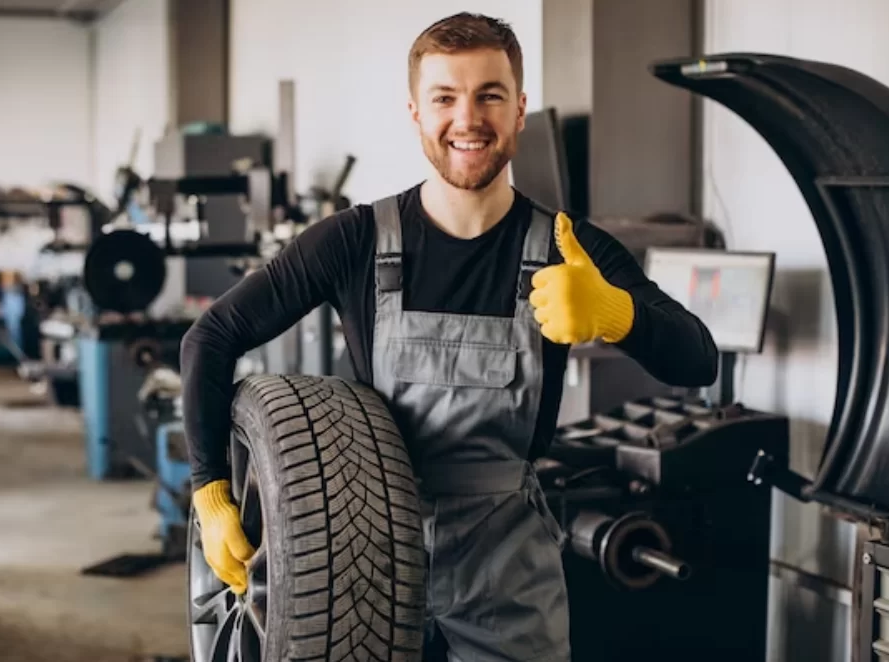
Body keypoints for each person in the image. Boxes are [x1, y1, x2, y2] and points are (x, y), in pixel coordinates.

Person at [180, 11, 719, 661]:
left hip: (506, 571)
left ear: (519, 110)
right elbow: (210, 338)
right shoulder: (352, 242)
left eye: (489, 95)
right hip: (357, 561)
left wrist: (617, 315)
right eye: (444, 97)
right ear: (414, 113)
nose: (467, 119)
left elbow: (696, 359)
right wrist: (210, 491)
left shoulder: (568, 248)